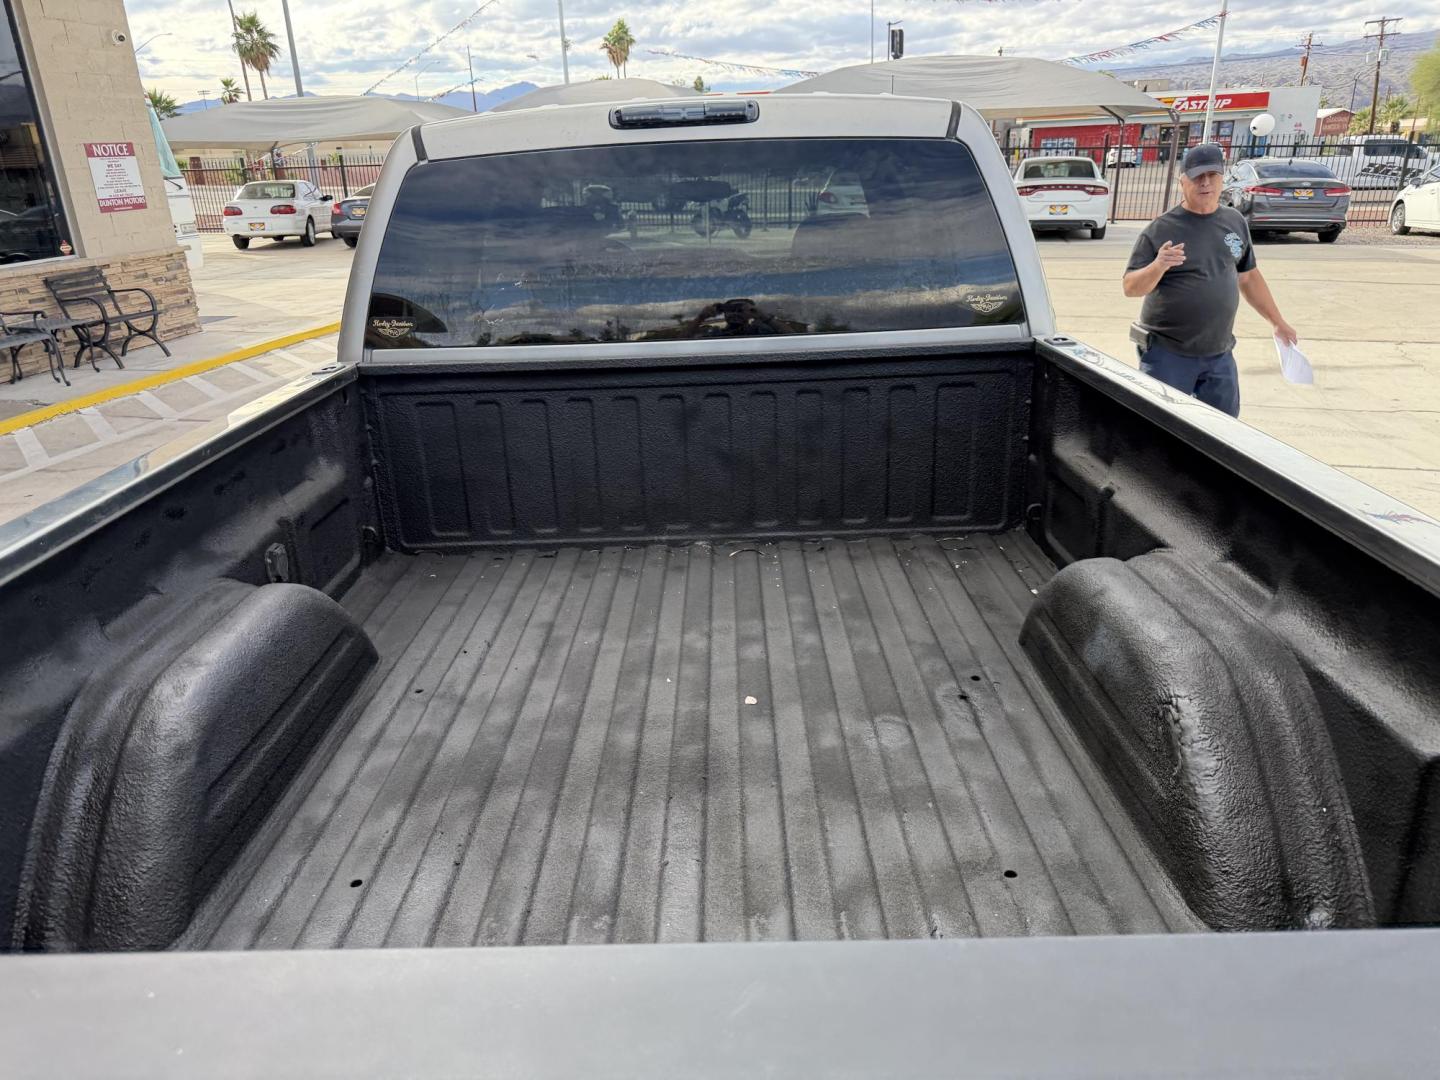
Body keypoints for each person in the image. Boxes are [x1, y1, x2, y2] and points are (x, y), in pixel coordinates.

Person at [1122, 143, 1297, 417]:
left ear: (1222, 178)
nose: (1205, 183)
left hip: (1219, 353)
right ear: (1183, 181)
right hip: (1168, 353)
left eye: (1212, 176)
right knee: (1161, 428)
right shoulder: (1161, 229)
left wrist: (1277, 322)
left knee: (1223, 430)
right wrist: (1158, 266)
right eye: (1197, 177)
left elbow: (1248, 275)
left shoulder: (1234, 222)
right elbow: (1131, 287)